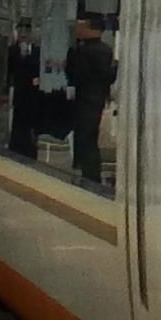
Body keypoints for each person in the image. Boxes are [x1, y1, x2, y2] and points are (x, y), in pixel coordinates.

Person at [64, 15, 116, 191]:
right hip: (96, 99)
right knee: (89, 137)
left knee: (86, 137)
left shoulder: (86, 52)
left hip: (87, 99)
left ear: (93, 29)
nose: (78, 29)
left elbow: (76, 75)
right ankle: (90, 174)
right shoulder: (105, 50)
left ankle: (89, 176)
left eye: (82, 26)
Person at [6, 18, 42, 158]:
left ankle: (30, 149)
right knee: (18, 121)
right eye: (20, 31)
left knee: (31, 122)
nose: (23, 34)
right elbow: (9, 70)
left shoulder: (38, 51)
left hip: (33, 94)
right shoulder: (12, 50)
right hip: (19, 91)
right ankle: (16, 148)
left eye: (26, 31)